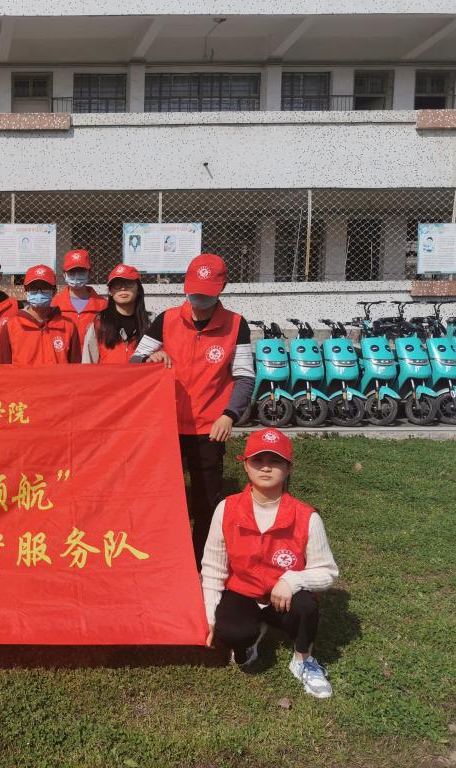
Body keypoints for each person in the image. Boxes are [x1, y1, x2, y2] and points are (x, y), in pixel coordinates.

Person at [130, 253, 254, 568]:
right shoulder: (167, 319)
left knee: (206, 500)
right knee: (159, 496)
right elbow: (133, 361)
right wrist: (149, 359)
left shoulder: (236, 325)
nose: (198, 299)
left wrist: (229, 415)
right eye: (193, 291)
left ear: (222, 288)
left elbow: (244, 377)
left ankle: (200, 563)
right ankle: (158, 557)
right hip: (166, 424)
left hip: (209, 427)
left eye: (206, 293)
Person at [203, 428, 338, 699]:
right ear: (245, 464)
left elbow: (328, 572)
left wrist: (292, 580)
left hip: (285, 599)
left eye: (275, 461)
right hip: (243, 592)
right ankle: (249, 641)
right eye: (258, 460)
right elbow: (213, 567)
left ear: (288, 468)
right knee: (231, 631)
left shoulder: (307, 516)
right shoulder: (226, 509)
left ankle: (303, 660)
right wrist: (209, 616)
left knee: (306, 606)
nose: (266, 467)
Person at [0, 265, 81, 365]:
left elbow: (75, 368)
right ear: (26, 291)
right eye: (33, 288)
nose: (39, 293)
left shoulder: (68, 326)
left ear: (54, 291)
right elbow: (4, 367)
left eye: (45, 288)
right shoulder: (11, 326)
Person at [82, 263, 150, 364]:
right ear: (110, 291)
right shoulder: (99, 323)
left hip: (141, 375)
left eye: (128, 283)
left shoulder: (150, 322)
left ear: (139, 289)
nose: (123, 288)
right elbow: (88, 363)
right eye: (117, 285)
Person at [52, 249, 107, 346]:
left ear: (89, 273)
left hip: (93, 355)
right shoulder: (55, 304)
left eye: (81, 272)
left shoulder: (103, 305)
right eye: (71, 272)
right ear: (64, 274)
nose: (76, 276)